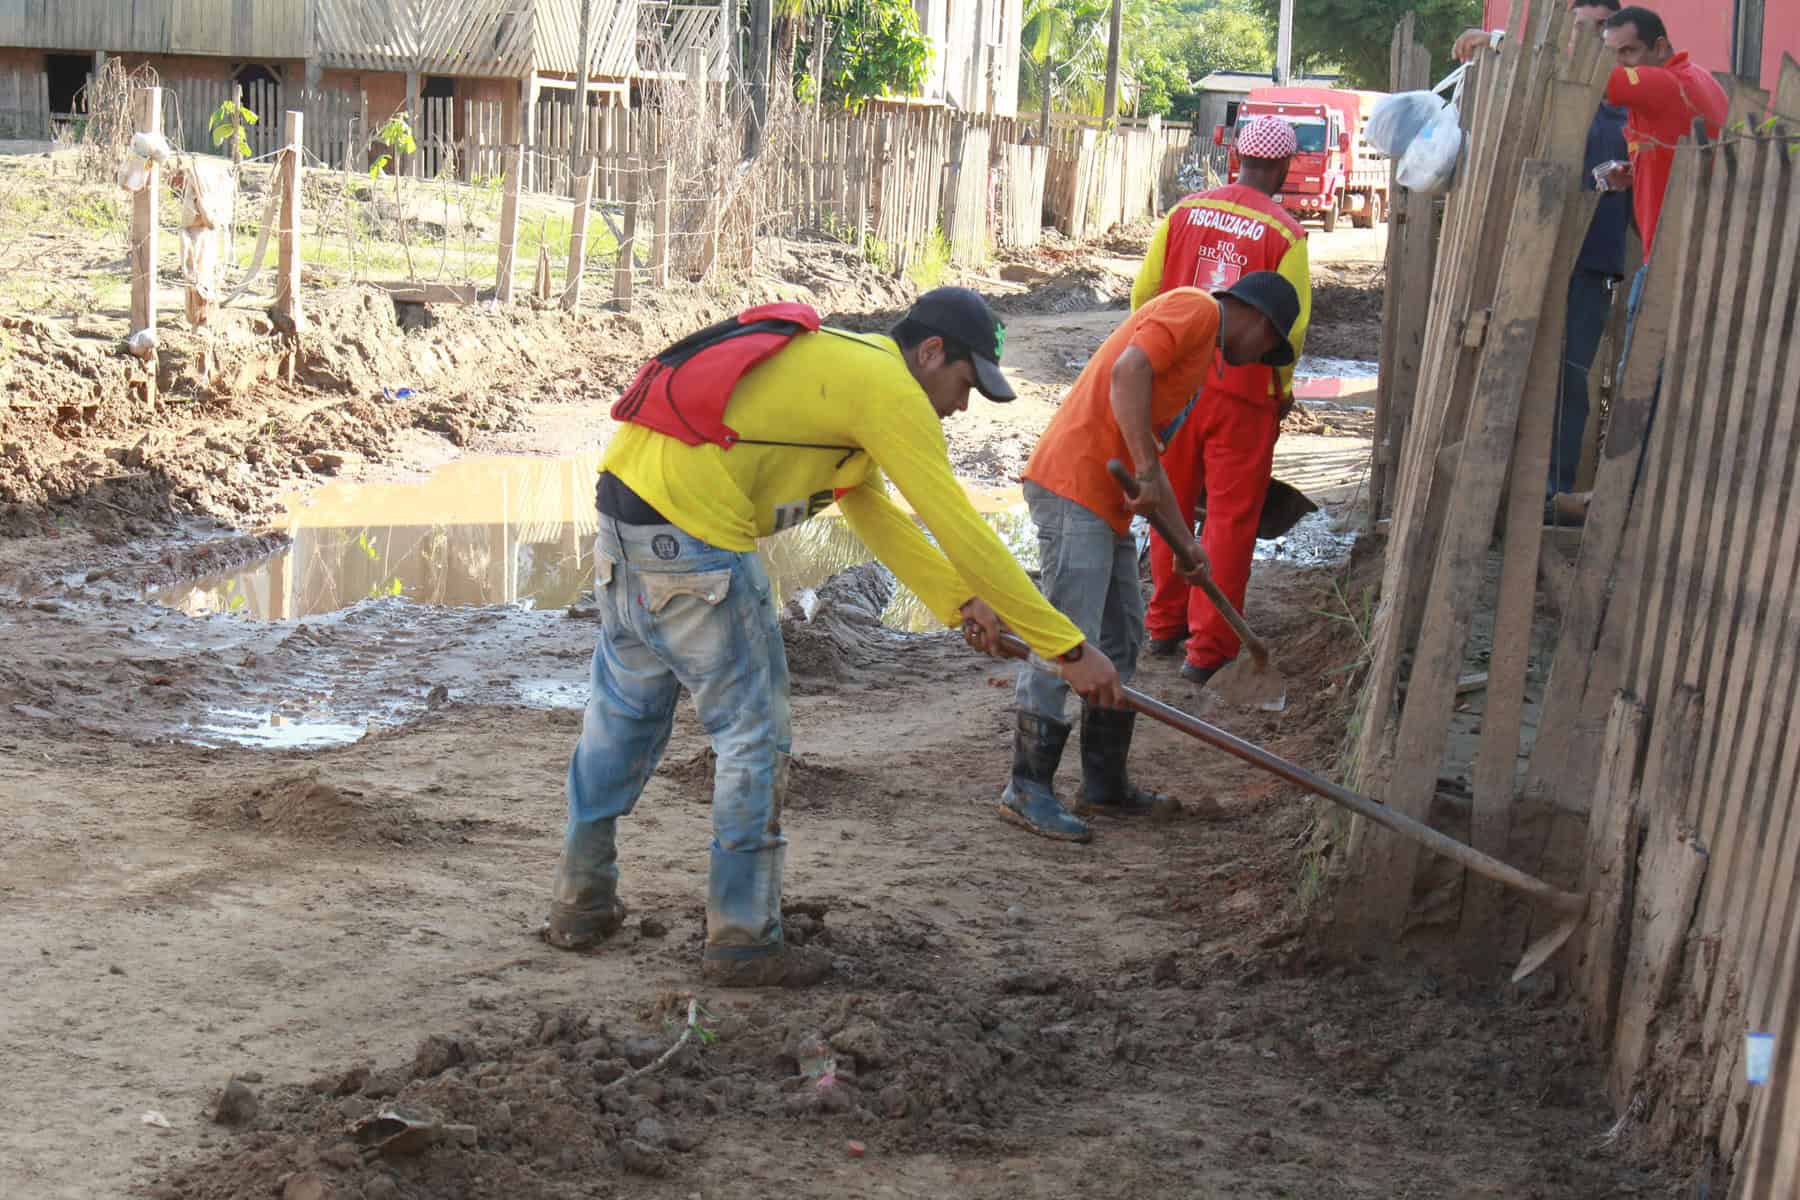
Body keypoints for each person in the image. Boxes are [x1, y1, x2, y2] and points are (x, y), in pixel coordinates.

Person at [542, 287, 1126, 987]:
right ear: (932, 352)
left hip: (622, 521)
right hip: (699, 538)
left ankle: (581, 902)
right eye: (965, 385)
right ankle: (743, 939)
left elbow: (868, 506)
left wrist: (959, 602)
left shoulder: (843, 372)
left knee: (620, 720)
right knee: (752, 737)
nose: (961, 406)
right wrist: (1067, 648)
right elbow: (961, 525)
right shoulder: (888, 388)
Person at [1001, 274, 1300, 843]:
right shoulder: (1195, 310)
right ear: (1260, 322)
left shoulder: (1199, 354)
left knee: (1120, 641)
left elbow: (1152, 451)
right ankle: (1026, 787)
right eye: (1269, 349)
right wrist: (1141, 465)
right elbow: (1127, 372)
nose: (1260, 360)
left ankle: (1103, 783)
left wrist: (1187, 544)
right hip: (1075, 486)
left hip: (1102, 502)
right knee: (1067, 635)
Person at [1129, 116, 1312, 680]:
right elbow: (1293, 326)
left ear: (1236, 157)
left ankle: (1163, 626)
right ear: (1282, 168)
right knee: (1230, 518)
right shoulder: (1285, 234)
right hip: (1244, 393)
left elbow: (1144, 294)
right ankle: (1208, 649)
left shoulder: (1184, 213)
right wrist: (1281, 390)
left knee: (1169, 503)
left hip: (1176, 385)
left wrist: (1154, 366)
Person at [1455, 0, 1633, 522]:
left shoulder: (1626, 102)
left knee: (1569, 377)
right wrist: (1491, 40)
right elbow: (1531, 59)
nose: (1592, 39)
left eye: (1603, 29)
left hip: (1590, 261)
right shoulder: (1556, 83)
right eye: (1583, 29)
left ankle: (1550, 496)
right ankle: (1492, 489)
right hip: (1528, 250)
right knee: (1505, 362)